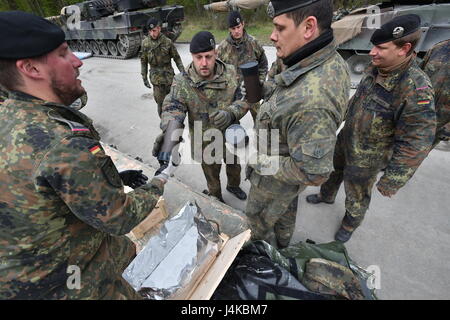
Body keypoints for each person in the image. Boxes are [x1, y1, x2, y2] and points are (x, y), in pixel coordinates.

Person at [0, 11, 168, 299]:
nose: (78, 61)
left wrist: (111, 179)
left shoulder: (11, 115)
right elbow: (118, 217)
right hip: (70, 284)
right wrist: (159, 183)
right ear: (31, 68)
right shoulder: (61, 141)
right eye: (64, 54)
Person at [306, 14, 437, 242]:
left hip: (368, 158)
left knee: (356, 192)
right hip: (346, 139)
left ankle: (350, 222)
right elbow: (357, 100)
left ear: (404, 48)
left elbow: (417, 141)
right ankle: (326, 195)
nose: (372, 53)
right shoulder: (377, 68)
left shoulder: (415, 88)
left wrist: (393, 179)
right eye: (373, 46)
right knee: (332, 171)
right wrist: (334, 121)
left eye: (381, 48)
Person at [245, 0, 351, 249]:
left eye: (280, 28)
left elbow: (313, 172)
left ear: (308, 27)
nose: (272, 36)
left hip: (274, 179)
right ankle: (282, 247)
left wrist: (257, 159)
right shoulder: (313, 57)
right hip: (285, 169)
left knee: (256, 226)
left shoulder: (313, 99)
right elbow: (285, 87)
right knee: (285, 214)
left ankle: (264, 258)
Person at [153, 31, 250, 203]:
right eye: (198, 57)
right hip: (203, 139)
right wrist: (170, 134)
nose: (203, 63)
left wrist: (232, 113)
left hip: (229, 135)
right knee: (211, 173)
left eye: (208, 56)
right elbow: (172, 107)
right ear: (192, 56)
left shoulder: (230, 73)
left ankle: (233, 186)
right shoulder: (182, 82)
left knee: (234, 165)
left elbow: (243, 98)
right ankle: (216, 197)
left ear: (215, 53)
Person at [217, 10, 268, 121]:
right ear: (229, 29)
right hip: (232, 93)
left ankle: (261, 137)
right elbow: (217, 70)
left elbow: (263, 64)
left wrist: (260, 81)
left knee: (261, 121)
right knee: (231, 123)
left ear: (243, 24)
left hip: (252, 90)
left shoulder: (253, 42)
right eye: (233, 28)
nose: (236, 31)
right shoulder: (222, 48)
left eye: (238, 27)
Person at [140, 18, 185, 117]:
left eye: (154, 30)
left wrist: (183, 72)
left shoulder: (167, 42)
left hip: (169, 78)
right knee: (160, 104)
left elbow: (177, 58)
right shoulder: (145, 44)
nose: (152, 33)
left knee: (174, 102)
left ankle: (174, 122)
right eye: (150, 31)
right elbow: (144, 61)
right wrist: (144, 77)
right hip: (157, 81)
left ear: (159, 29)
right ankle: (164, 124)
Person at [420, 39, 449, 147]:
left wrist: (447, 129)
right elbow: (419, 76)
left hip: (437, 126)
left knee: (406, 162)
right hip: (412, 115)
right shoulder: (439, 48)